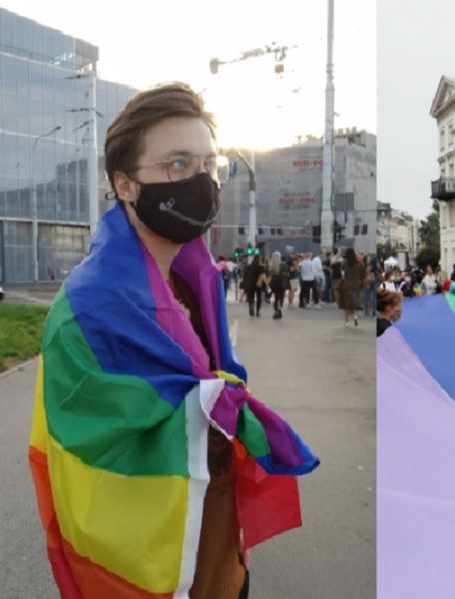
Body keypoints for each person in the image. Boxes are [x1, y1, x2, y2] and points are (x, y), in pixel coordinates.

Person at [30, 83, 317, 599]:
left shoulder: (194, 279)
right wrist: (212, 402)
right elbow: (90, 438)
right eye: (178, 164)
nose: (201, 182)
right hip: (149, 565)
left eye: (210, 165)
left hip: (218, 548)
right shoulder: (86, 309)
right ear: (126, 185)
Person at [338, 248, 364, 326]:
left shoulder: (344, 263)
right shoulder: (359, 263)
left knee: (345, 304)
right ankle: (355, 316)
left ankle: (347, 322)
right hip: (356, 284)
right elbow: (362, 273)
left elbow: (342, 274)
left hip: (347, 284)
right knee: (355, 301)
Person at [268, 251, 286, 319]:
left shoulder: (271, 265)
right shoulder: (283, 264)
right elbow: (286, 274)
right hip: (281, 283)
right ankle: (279, 309)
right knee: (281, 298)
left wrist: (268, 284)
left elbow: (270, 276)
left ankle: (276, 311)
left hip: (274, 283)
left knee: (276, 297)